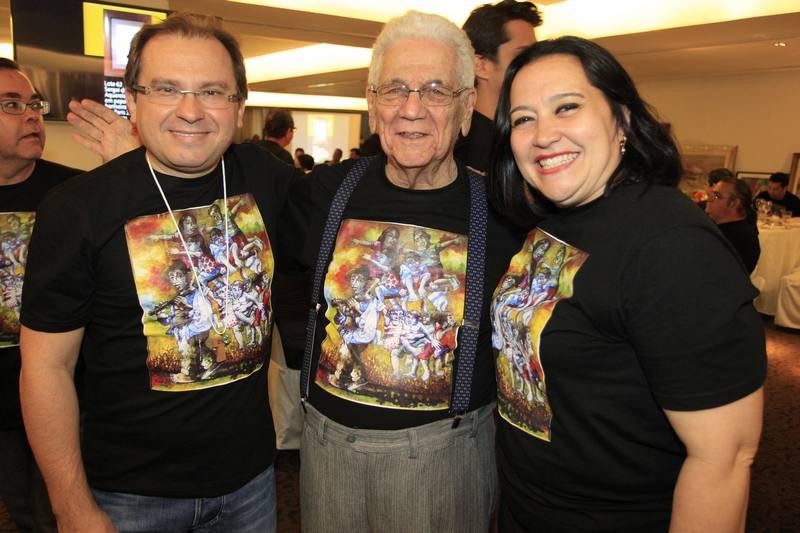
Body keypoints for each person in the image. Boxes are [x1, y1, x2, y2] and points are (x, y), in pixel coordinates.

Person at [19, 13, 295, 533]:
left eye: (212, 91)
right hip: (129, 496)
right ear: (133, 100)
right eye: (167, 89)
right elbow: (46, 367)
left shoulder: (268, 179)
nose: (190, 110)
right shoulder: (77, 208)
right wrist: (71, 506)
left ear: (239, 107)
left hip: (252, 484)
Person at [491, 36, 766, 531]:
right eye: (524, 118)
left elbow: (723, 460)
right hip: (529, 507)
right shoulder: (556, 216)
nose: (543, 134)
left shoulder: (673, 247)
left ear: (622, 119)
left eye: (567, 107)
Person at [280, 11, 523, 532]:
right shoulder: (320, 193)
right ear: (373, 106)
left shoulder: (507, 213)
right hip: (325, 454)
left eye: (436, 91)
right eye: (395, 89)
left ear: (466, 108)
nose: (412, 109)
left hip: (445, 463)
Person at [0, 57, 80, 533]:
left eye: (33, 104)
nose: (31, 115)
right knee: (26, 512)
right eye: (11, 105)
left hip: (70, 391)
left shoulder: (73, 192)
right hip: (3, 404)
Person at [455, 0, 542, 173]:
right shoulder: (465, 153)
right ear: (480, 66)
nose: (536, 66)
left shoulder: (527, 134)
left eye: (536, 56)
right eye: (523, 56)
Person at [706, 177, 760, 272]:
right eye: (711, 194)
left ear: (734, 203)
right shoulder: (718, 227)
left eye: (716, 196)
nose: (709, 199)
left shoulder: (742, 238)